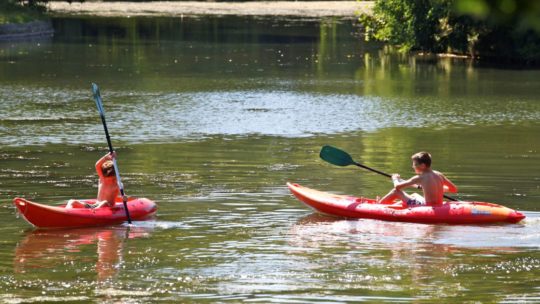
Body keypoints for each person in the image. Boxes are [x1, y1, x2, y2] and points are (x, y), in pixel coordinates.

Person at [378, 152, 457, 207]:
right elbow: (453, 189)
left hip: (426, 206)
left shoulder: (420, 177)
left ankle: (379, 205)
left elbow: (397, 187)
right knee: (414, 195)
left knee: (395, 192)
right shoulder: (439, 174)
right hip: (438, 205)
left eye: (415, 164)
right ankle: (392, 206)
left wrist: (395, 179)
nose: (413, 166)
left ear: (422, 165)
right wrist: (436, 189)